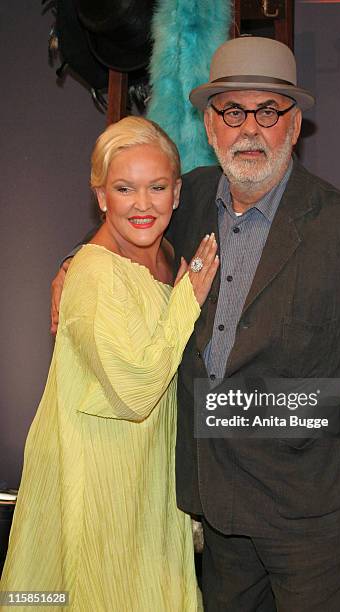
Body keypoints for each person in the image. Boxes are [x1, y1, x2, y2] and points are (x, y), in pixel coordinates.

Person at [50, 38, 340, 611]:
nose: (250, 130)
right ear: (211, 125)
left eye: (268, 112)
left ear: (295, 124)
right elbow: (126, 219)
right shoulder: (188, 198)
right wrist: (73, 261)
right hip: (220, 511)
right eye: (234, 112)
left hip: (314, 517)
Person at [1, 116, 218, 611]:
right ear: (101, 196)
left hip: (149, 479)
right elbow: (136, 391)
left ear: (177, 192)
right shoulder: (94, 274)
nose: (142, 204)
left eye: (156, 187)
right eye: (125, 188)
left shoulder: (165, 251)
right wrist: (189, 297)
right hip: (101, 480)